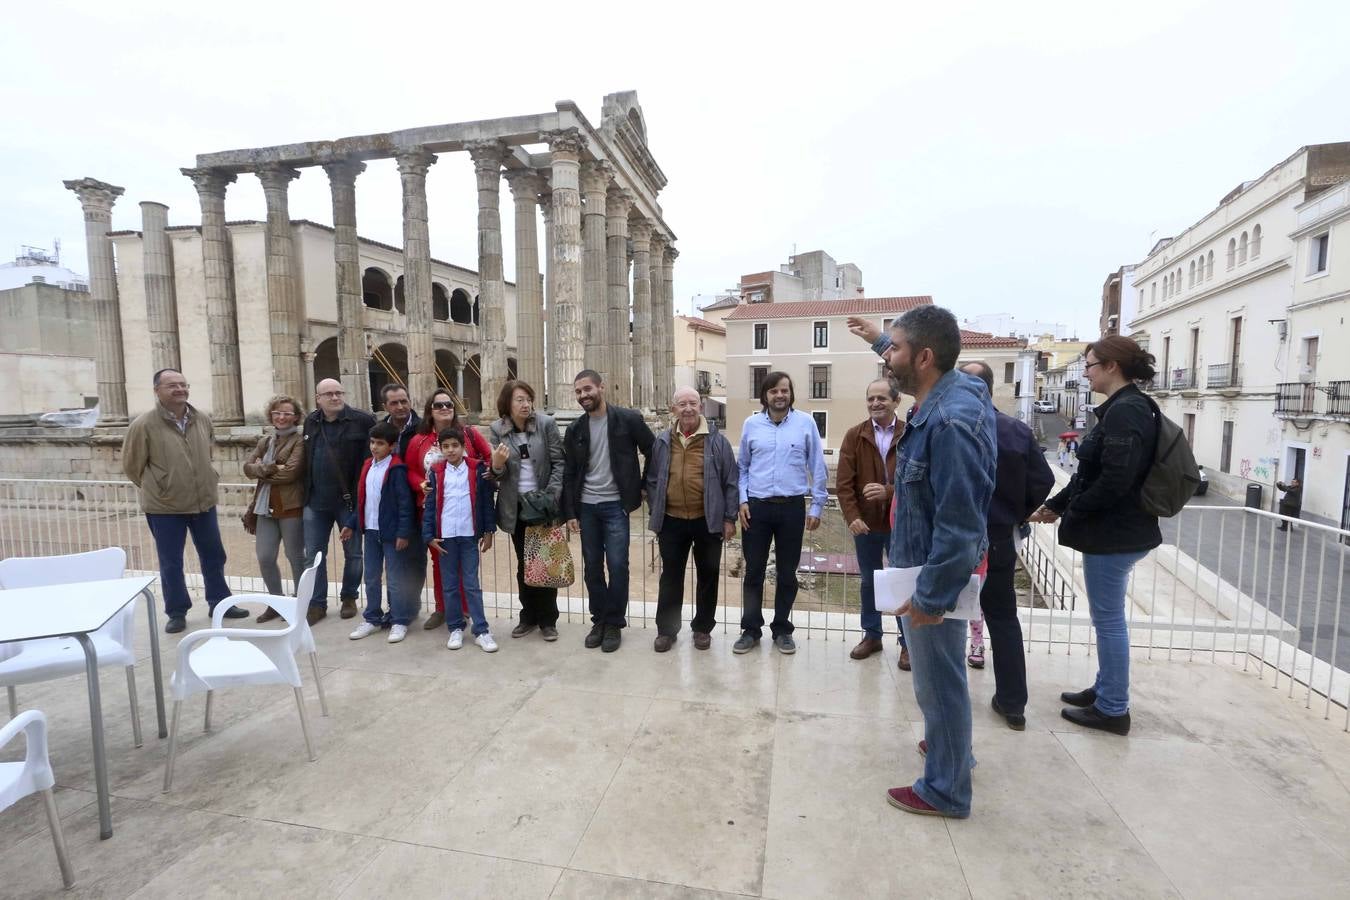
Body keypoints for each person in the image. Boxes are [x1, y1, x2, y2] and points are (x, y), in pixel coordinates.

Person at [847, 308, 996, 819]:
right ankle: (953, 751)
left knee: (939, 684)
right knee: (943, 680)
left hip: (932, 578)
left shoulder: (950, 422)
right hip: (929, 570)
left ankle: (946, 790)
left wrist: (929, 599)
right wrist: (879, 339)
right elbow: (911, 355)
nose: (889, 358)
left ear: (925, 358)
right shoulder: (954, 393)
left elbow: (960, 524)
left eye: (896, 350)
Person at [1029, 335, 1161, 737]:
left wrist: (1075, 511)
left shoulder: (1127, 412)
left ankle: (1113, 708)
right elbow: (1091, 474)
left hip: (1114, 534)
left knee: (1109, 622)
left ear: (1111, 367)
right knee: (1108, 620)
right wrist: (1057, 505)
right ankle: (1105, 690)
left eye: (1089, 365)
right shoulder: (1129, 407)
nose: (1085, 373)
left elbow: (1114, 480)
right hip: (1118, 531)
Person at [960, 360, 1055, 730]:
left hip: (957, 537)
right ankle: (1013, 703)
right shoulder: (1015, 430)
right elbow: (1043, 480)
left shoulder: (955, 428)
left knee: (947, 619)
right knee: (1002, 619)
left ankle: (948, 704)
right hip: (999, 537)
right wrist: (1016, 512)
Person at [122, 368, 246, 633]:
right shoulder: (143, 425)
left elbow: (207, 451)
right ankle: (177, 611)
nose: (179, 389)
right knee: (171, 561)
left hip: (203, 502)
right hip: (165, 507)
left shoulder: (201, 419)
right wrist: (162, 487)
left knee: (214, 555)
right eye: (171, 385)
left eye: (182, 384)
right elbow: (133, 467)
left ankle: (220, 602)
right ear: (157, 390)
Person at [734, 371, 828, 656]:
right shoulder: (751, 424)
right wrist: (742, 500)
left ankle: (782, 630)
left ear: (791, 394)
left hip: (791, 508)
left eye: (784, 390)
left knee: (788, 573)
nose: (779, 395)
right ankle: (750, 629)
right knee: (753, 572)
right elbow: (743, 468)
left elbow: (817, 465)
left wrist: (817, 505)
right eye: (774, 391)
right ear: (765, 395)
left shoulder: (805, 423)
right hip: (757, 508)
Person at [562, 370, 655, 653]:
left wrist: (642, 485)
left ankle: (614, 623)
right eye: (578, 392)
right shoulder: (575, 429)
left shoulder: (628, 420)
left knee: (617, 565)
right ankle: (599, 620)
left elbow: (653, 450)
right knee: (592, 568)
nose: (583, 395)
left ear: (601, 387)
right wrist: (569, 512)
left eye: (587, 389)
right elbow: (569, 473)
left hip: (616, 505)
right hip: (587, 507)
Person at [644, 386, 739, 652]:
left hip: (707, 520)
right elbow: (652, 479)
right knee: (671, 577)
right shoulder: (663, 440)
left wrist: (729, 518)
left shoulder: (717, 442)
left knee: (708, 575)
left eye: (693, 403)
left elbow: (731, 482)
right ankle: (667, 630)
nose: (687, 408)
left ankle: (702, 629)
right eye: (682, 404)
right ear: (673, 408)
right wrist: (656, 508)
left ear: (701, 407)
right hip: (672, 520)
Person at [405, 389, 491, 630]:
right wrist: (420, 484)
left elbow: (487, 459)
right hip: (433, 510)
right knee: (440, 561)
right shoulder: (418, 440)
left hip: (465, 511)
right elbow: (409, 469)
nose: (444, 409)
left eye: (448, 405)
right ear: (429, 411)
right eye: (438, 405)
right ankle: (443, 608)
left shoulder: (469, 435)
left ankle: (464, 609)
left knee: (466, 564)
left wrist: (485, 479)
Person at [837, 379, 908, 668]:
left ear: (896, 401)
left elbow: (921, 480)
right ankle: (872, 634)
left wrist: (889, 492)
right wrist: (852, 516)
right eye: (871, 399)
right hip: (865, 525)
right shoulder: (855, 435)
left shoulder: (910, 433)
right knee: (868, 582)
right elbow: (843, 484)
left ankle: (908, 643)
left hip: (901, 523)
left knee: (903, 583)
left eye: (882, 398)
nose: (875, 403)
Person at [486, 380, 565, 640]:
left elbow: (558, 462)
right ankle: (528, 616)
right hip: (516, 506)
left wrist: (551, 496)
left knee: (546, 562)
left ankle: (548, 620)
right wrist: (496, 465)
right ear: (507, 403)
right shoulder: (498, 429)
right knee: (525, 563)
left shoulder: (546, 424)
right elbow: (499, 475)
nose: (525, 404)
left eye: (528, 399)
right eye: (519, 399)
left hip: (542, 504)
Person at [301, 378, 375, 625]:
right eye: (329, 394)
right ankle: (317, 603)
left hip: (349, 502)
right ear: (318, 398)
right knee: (313, 556)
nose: (335, 397)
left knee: (354, 553)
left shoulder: (362, 421)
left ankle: (349, 597)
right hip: (315, 500)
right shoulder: (311, 421)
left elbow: (369, 460)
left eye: (339, 392)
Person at [424, 427, 499, 652]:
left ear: (463, 447)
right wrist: (428, 536)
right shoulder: (436, 472)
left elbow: (486, 502)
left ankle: (481, 630)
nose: (450, 450)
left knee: (471, 583)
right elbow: (430, 506)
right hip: (445, 536)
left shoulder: (477, 469)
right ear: (440, 448)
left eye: (454, 446)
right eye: (445, 446)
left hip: (468, 535)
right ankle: (455, 627)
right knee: (449, 585)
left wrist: (488, 532)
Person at [347, 422, 418, 643]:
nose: (374, 447)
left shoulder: (397, 469)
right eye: (372, 442)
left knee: (395, 578)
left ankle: (399, 620)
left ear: (392, 446)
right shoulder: (368, 465)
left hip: (390, 533)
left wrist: (403, 533)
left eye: (380, 443)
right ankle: (372, 617)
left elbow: (405, 504)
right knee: (371, 577)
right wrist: (351, 523)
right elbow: (362, 499)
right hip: (370, 531)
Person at [241, 395, 307, 622]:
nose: (281, 417)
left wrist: (262, 469)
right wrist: (270, 468)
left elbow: (291, 473)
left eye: (287, 413)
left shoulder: (299, 441)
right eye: (277, 413)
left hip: (290, 506)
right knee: (265, 556)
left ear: (296, 417)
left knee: (295, 556)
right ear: (271, 415)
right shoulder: (266, 441)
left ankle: (300, 603)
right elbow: (247, 468)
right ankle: (276, 602)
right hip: (264, 507)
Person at [378, 383, 420, 460]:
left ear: (410, 402)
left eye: (404, 402)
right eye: (394, 403)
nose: (400, 407)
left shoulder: (424, 428)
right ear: (385, 407)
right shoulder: (378, 431)